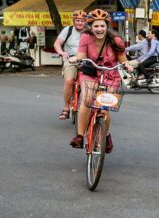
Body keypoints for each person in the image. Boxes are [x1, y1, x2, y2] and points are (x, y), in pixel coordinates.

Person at [70, 9, 127, 153]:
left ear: (107, 26)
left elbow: (123, 60)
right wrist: (76, 59)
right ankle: (80, 136)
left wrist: (128, 65)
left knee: (105, 110)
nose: (99, 29)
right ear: (91, 27)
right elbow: (81, 56)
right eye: (96, 26)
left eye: (102, 26)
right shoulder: (85, 38)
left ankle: (106, 135)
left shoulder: (116, 40)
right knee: (87, 101)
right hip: (91, 72)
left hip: (111, 75)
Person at [53, 10, 88, 120]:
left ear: (85, 21)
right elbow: (57, 44)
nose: (80, 23)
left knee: (92, 83)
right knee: (69, 82)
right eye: (77, 20)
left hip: (86, 60)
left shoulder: (89, 31)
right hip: (70, 59)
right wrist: (61, 52)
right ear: (74, 21)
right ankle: (66, 108)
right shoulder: (67, 30)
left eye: (82, 21)